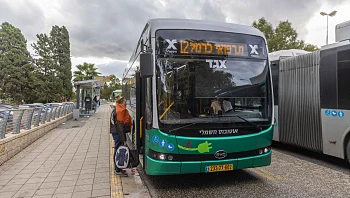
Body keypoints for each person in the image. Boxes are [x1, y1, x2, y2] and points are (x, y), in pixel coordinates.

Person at [112, 94, 133, 177]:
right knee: (118, 149)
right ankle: (117, 169)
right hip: (118, 133)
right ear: (122, 102)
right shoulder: (120, 111)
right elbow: (120, 126)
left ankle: (119, 168)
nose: (126, 103)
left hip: (116, 132)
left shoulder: (118, 108)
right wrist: (123, 138)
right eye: (125, 101)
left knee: (118, 149)